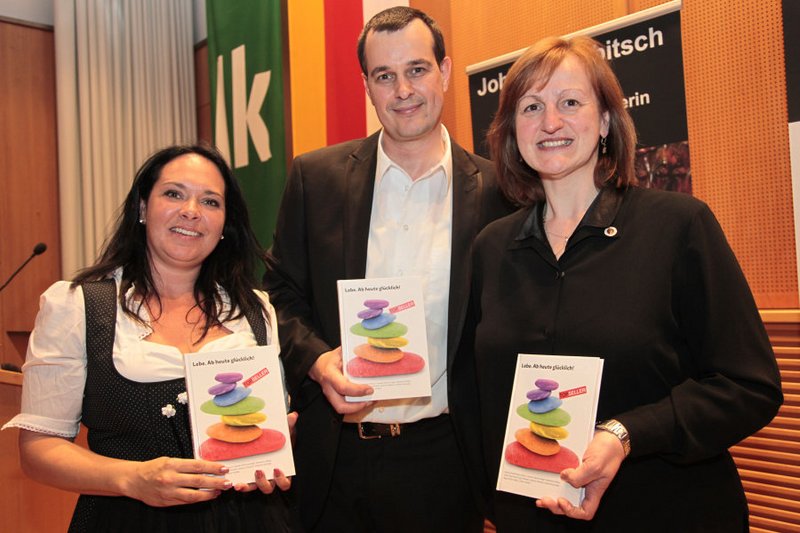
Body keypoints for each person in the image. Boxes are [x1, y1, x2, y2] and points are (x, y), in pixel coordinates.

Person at [470, 35, 784, 532]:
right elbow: (477, 396)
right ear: (512, 132)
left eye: (570, 102)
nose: (550, 122)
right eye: (531, 107)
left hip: (668, 512)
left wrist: (625, 433)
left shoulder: (679, 227)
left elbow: (749, 386)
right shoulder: (491, 248)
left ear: (605, 122)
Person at [264, 6, 511, 532]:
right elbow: (279, 294)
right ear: (367, 86)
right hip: (333, 459)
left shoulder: (500, 192)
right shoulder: (315, 179)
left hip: (445, 463)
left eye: (417, 69)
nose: (403, 90)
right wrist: (317, 361)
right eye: (384, 75)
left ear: (444, 71)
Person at [3, 144, 297, 532]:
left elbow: (271, 430)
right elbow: (40, 450)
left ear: (225, 224)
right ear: (143, 207)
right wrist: (133, 479)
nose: (191, 210)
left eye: (210, 201)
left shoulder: (255, 310)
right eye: (174, 194)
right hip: (125, 520)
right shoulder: (79, 307)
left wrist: (274, 449)